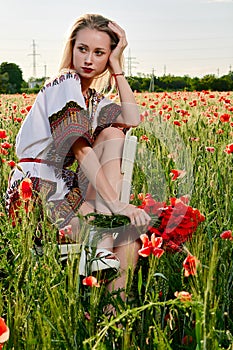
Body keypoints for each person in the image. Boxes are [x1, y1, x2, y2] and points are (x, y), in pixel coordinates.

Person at [5, 14, 150, 294]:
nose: (88, 59)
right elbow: (81, 149)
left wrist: (118, 64)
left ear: (107, 58)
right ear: (71, 47)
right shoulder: (65, 82)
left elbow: (132, 118)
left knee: (129, 241)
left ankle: (108, 324)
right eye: (82, 49)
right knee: (117, 232)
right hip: (34, 192)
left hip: (63, 189)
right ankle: (101, 241)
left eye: (99, 53)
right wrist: (117, 205)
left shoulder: (91, 99)